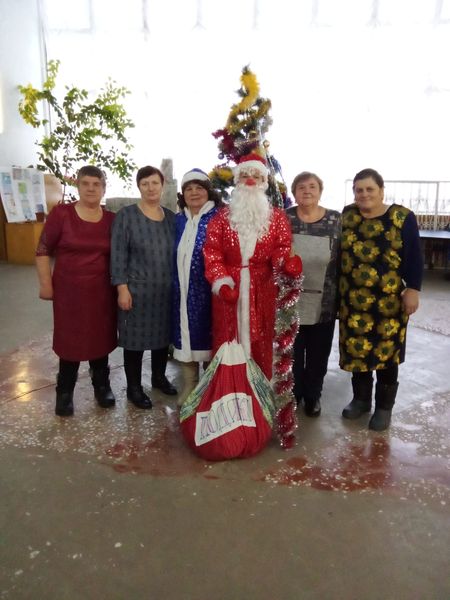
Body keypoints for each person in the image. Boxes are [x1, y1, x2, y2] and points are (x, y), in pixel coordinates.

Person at [203, 153, 302, 381]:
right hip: (229, 288)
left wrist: (286, 264)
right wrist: (222, 282)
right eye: (245, 175)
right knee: (227, 338)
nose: (250, 180)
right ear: (237, 181)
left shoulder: (276, 218)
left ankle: (259, 389)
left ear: (264, 182)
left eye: (256, 176)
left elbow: (281, 247)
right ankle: (229, 387)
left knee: (262, 340)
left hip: (263, 287)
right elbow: (212, 251)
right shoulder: (221, 218)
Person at [339, 168, 423, 431]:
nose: (364, 194)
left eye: (370, 189)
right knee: (357, 349)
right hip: (352, 299)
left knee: (387, 352)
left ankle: (384, 408)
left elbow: (415, 256)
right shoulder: (348, 215)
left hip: (389, 302)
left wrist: (413, 289)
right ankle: (361, 400)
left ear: (381, 190)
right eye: (359, 190)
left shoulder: (402, 217)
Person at [35, 165, 117, 416]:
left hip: (102, 292)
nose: (91, 189)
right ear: (78, 186)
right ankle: (64, 391)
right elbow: (43, 250)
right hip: (68, 292)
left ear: (103, 188)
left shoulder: (112, 219)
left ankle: (101, 386)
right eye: (85, 184)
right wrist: (46, 284)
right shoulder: (62, 214)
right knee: (70, 340)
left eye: (96, 184)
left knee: (100, 338)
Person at [111, 165, 176, 409]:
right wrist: (122, 288)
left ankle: (159, 377)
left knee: (162, 339)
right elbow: (118, 255)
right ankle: (134, 388)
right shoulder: (126, 216)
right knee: (134, 341)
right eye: (145, 183)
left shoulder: (171, 218)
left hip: (165, 291)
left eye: (155, 183)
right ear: (139, 186)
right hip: (136, 291)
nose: (150, 188)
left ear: (162, 185)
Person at [287, 172, 341, 417]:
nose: (307, 191)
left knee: (319, 354)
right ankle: (294, 392)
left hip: (325, 300)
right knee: (293, 353)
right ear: (294, 193)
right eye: (301, 187)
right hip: (290, 299)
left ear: (320, 191)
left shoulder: (335, 219)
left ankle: (313, 395)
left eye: (312, 186)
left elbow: (345, 258)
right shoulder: (285, 218)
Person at [172, 169, 223, 406]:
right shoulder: (178, 220)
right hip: (181, 291)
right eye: (189, 189)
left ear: (208, 191)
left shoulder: (220, 217)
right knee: (184, 336)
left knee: (211, 337)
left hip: (211, 292)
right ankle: (190, 384)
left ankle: (210, 387)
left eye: (199, 188)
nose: (194, 193)